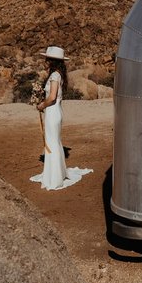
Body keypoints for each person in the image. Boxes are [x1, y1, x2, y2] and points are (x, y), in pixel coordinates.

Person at [30, 46, 91, 190]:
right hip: (55, 112)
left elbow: (51, 98)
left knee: (52, 143)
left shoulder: (54, 76)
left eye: (47, 59)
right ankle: (55, 173)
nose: (45, 62)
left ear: (52, 61)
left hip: (52, 111)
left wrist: (41, 106)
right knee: (54, 142)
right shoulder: (58, 75)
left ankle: (54, 178)